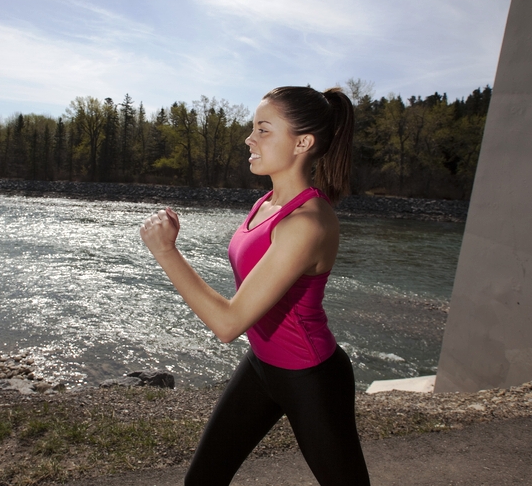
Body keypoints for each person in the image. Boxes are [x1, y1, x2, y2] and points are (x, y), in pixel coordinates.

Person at [139, 85, 371, 485]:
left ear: (303, 142)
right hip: (263, 366)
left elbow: (229, 324)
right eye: (252, 128)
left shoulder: (306, 223)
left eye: (263, 129)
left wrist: (166, 252)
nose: (250, 138)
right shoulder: (266, 205)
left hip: (310, 377)